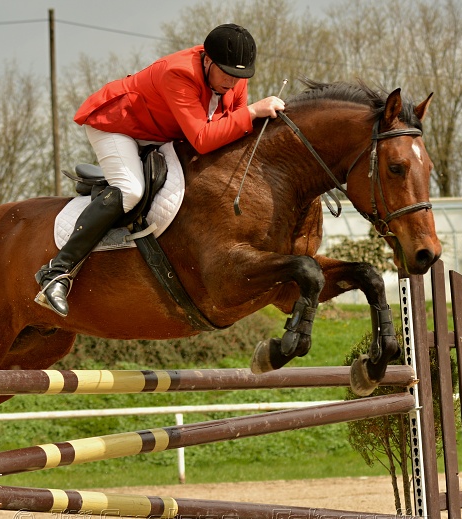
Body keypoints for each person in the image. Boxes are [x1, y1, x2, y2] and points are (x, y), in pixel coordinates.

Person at [35, 23, 286, 317]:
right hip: (119, 126)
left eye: (239, 77)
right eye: (227, 74)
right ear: (207, 60)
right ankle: (57, 272)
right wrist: (253, 112)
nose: (233, 83)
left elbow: (231, 128)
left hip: (163, 132)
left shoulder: (234, 77)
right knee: (131, 190)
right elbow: (204, 138)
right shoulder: (177, 73)